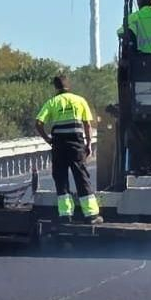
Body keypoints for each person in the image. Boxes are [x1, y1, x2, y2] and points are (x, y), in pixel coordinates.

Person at [35, 75, 103, 224]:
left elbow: (38, 123)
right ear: (68, 85)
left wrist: (48, 139)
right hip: (76, 143)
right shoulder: (80, 101)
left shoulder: (52, 102)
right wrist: (89, 143)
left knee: (61, 178)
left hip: (59, 144)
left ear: (56, 87)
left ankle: (65, 215)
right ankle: (91, 215)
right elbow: (87, 125)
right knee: (81, 176)